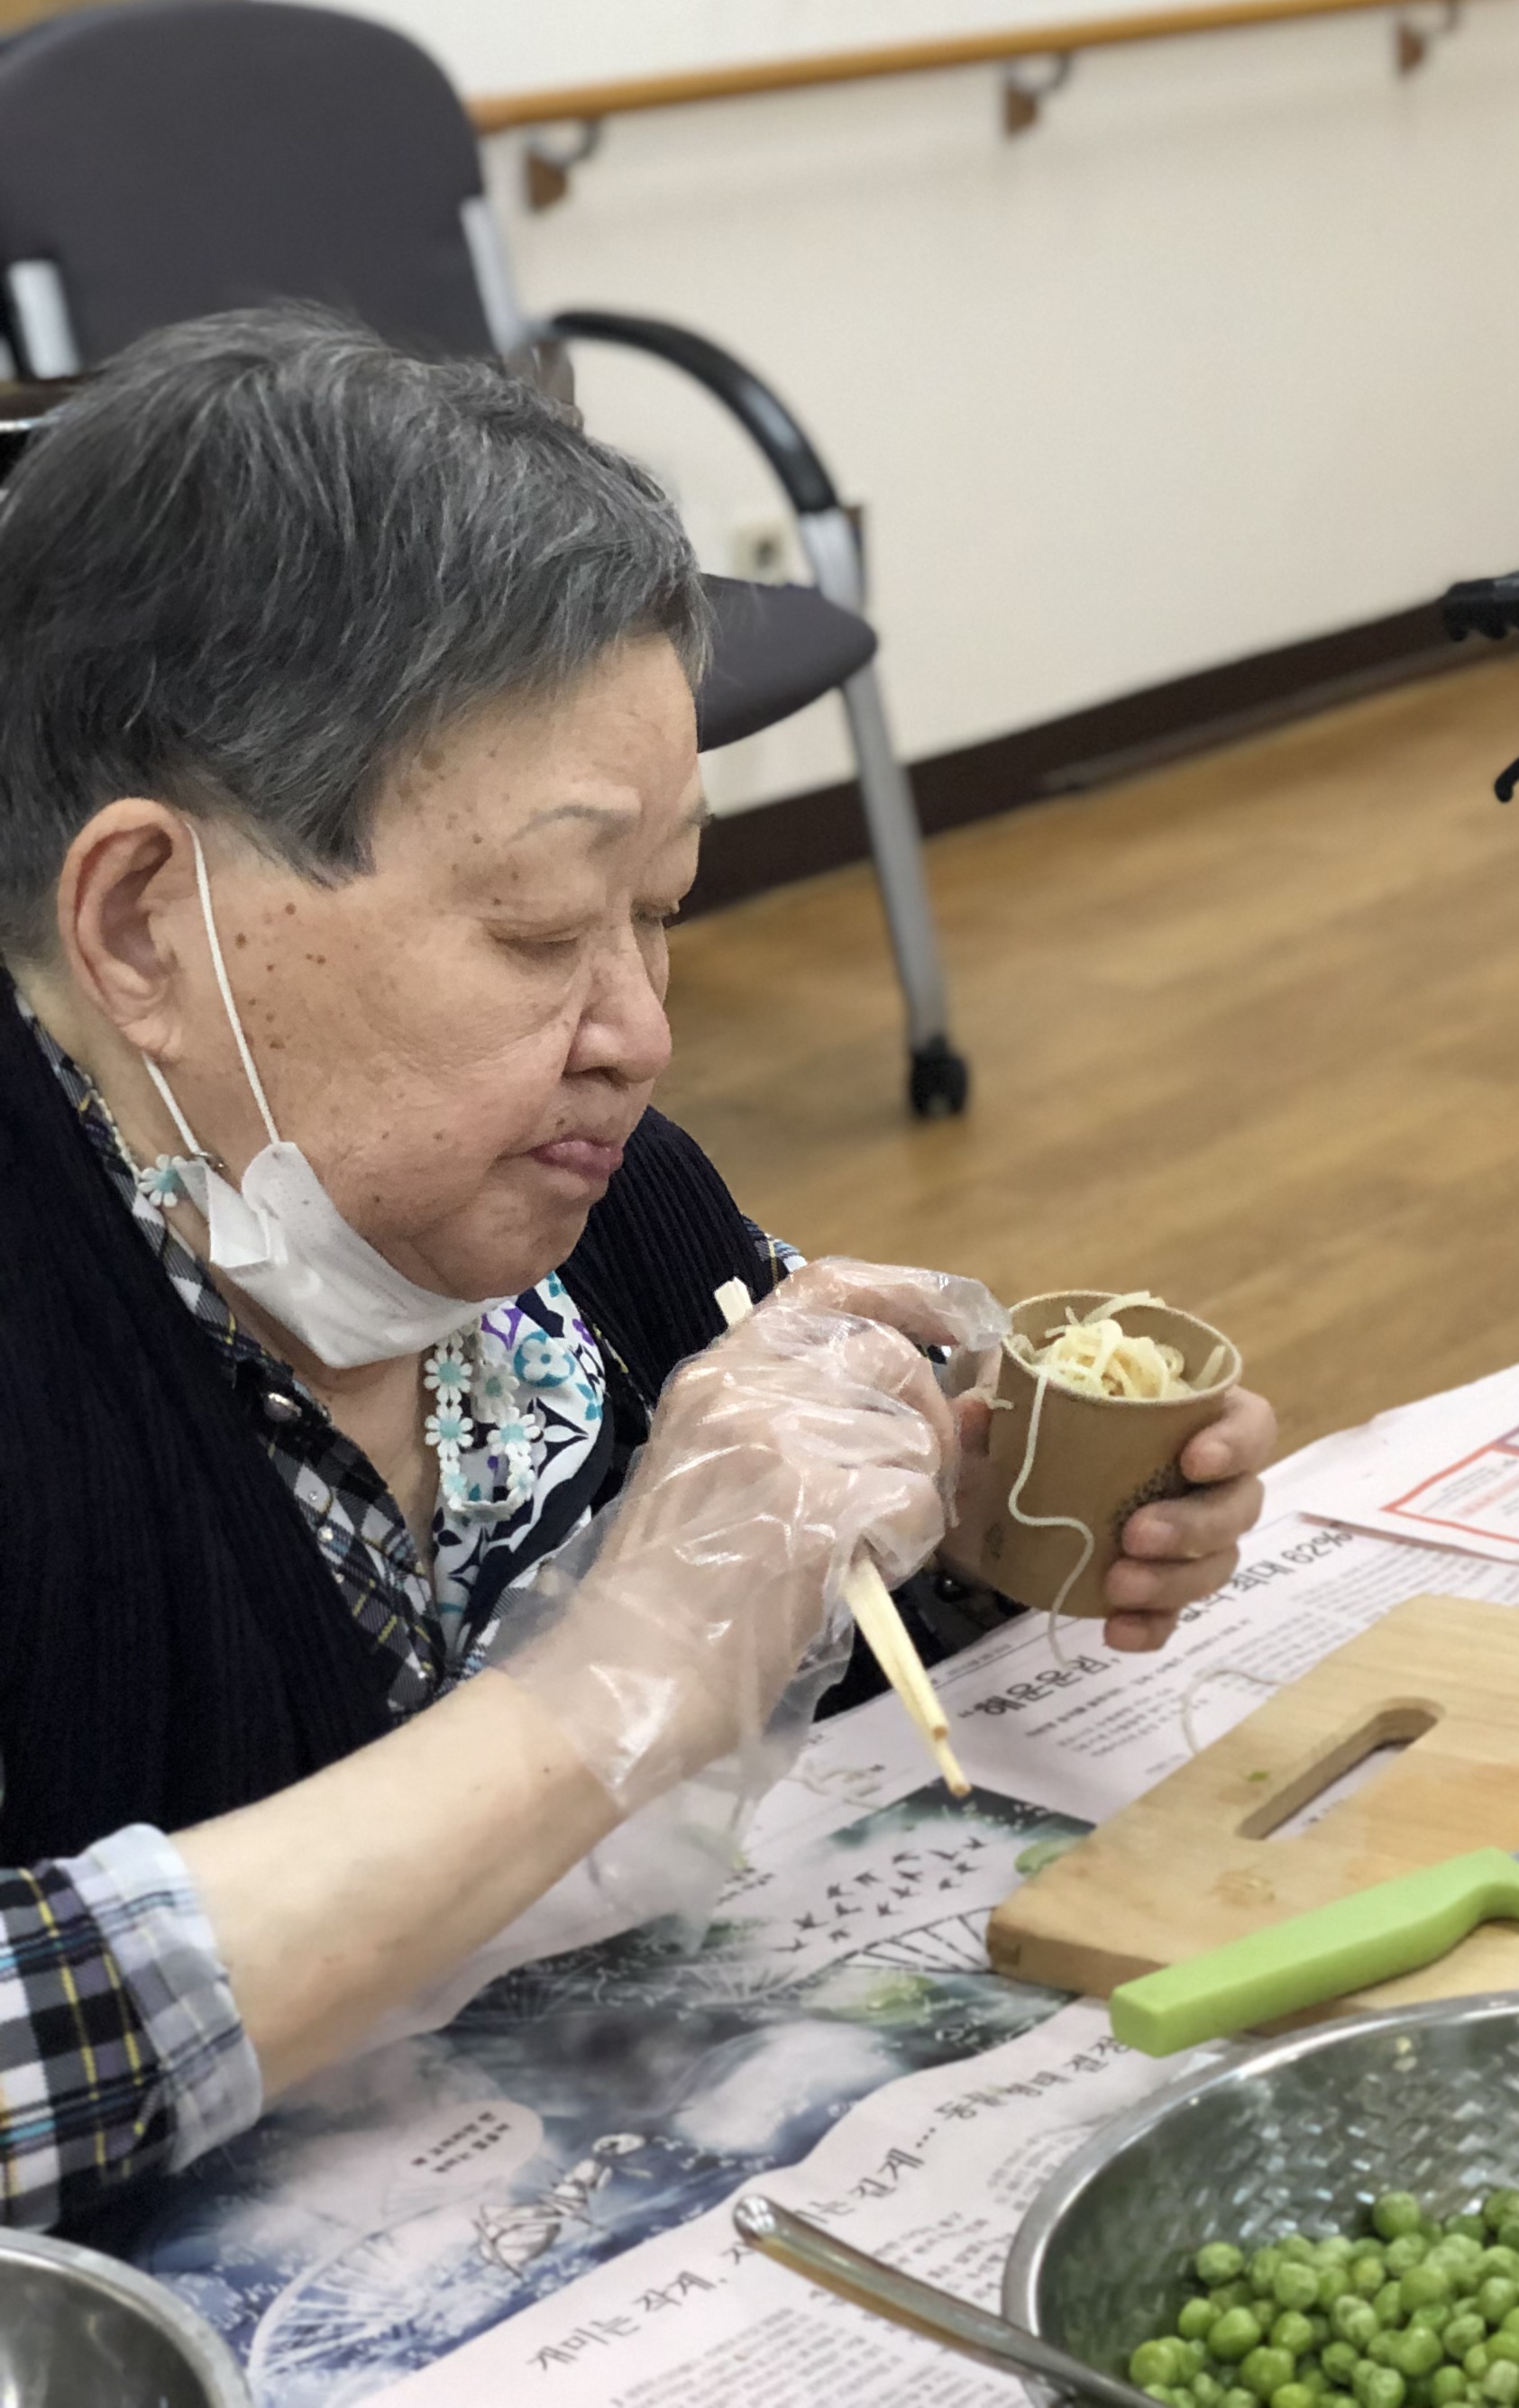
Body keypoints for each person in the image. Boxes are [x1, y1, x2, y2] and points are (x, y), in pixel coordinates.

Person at [0, 312, 1276, 2229]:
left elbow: (795, 1617)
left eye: (661, 912)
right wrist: (606, 1686)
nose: (638, 1033)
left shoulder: (604, 1209)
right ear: (141, 926)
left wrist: (961, 1521)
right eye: (538, 928)